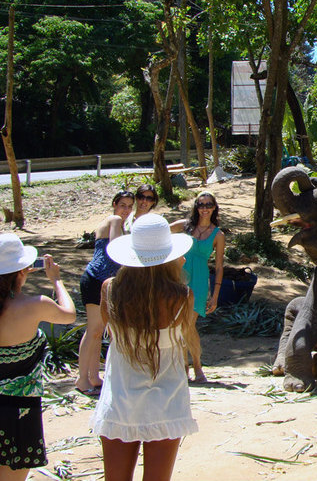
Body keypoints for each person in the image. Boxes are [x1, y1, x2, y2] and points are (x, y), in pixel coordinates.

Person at [91, 214, 198, 481]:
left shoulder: (110, 290)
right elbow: (185, 340)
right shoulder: (182, 297)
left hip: (121, 398)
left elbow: (110, 333)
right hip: (167, 401)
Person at [0, 234, 76, 481]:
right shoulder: (35, 304)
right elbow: (69, 315)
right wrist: (56, 282)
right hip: (21, 411)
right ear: (23, 270)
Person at [76, 190, 134, 395]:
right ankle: (82, 379)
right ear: (114, 205)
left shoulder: (114, 221)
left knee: (97, 331)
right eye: (123, 205)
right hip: (95, 280)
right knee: (93, 330)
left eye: (129, 206)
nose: (126, 210)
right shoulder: (115, 220)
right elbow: (117, 249)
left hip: (102, 282)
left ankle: (93, 376)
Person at [170, 192, 225, 383]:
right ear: (196, 207)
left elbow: (218, 267)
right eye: (201, 204)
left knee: (188, 324)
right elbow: (160, 232)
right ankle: (186, 367)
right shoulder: (184, 226)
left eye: (208, 204)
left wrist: (215, 295)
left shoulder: (218, 234)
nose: (205, 208)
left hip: (200, 281)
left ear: (214, 207)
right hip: (179, 276)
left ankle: (197, 366)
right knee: (179, 323)